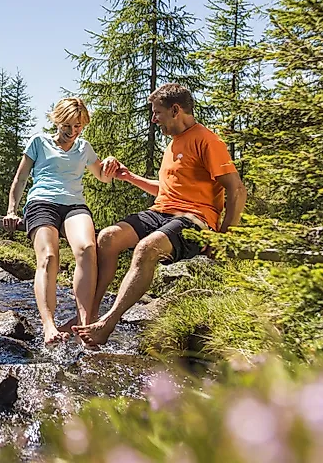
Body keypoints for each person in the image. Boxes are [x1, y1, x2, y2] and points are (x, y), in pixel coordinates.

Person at [72, 83, 248, 347]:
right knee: (107, 237)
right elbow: (165, 190)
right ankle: (90, 315)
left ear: (175, 110)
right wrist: (129, 177)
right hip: (162, 212)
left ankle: (107, 323)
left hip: (195, 219)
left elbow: (237, 189)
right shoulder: (173, 144)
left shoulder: (207, 140)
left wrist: (224, 238)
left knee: (146, 248)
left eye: (157, 113)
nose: (154, 119)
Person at [3, 97, 114, 346]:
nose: (73, 132)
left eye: (79, 127)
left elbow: (103, 177)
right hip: (42, 202)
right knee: (49, 257)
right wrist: (12, 210)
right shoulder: (38, 142)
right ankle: (49, 325)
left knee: (87, 249)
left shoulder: (84, 148)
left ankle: (85, 325)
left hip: (74, 205)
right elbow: (20, 179)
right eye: (69, 126)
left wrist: (108, 165)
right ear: (58, 121)